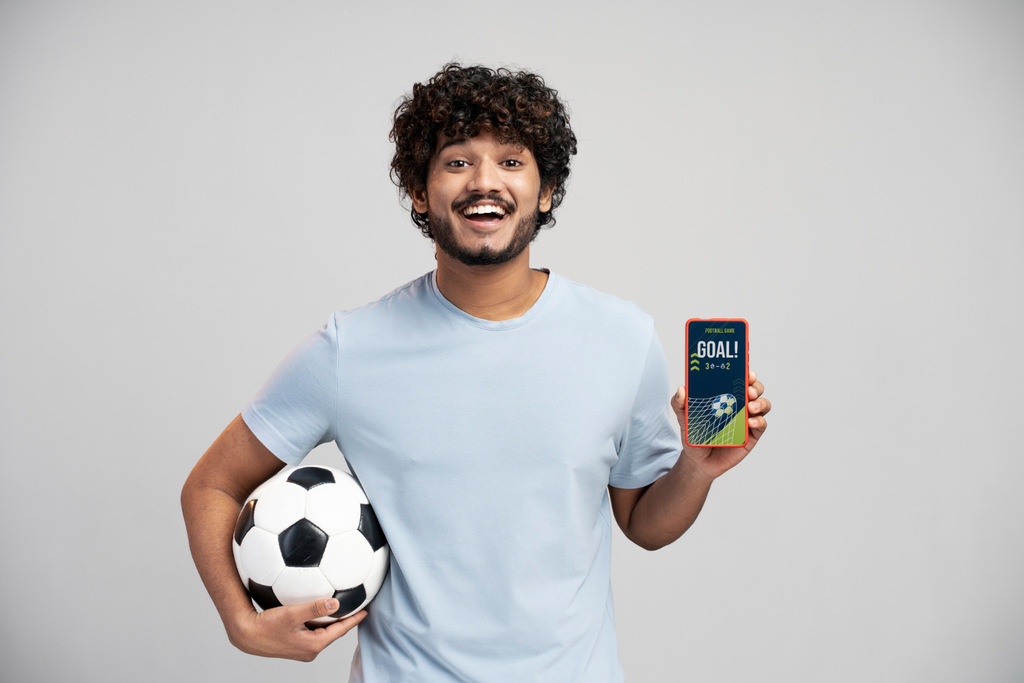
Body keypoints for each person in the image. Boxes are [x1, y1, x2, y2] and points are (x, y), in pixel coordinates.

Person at [181, 63, 771, 681]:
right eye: (457, 161)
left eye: (512, 162)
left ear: (545, 192)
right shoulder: (348, 349)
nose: (484, 182)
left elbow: (645, 524)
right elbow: (210, 486)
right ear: (419, 190)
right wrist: (241, 624)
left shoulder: (622, 337)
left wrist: (696, 470)